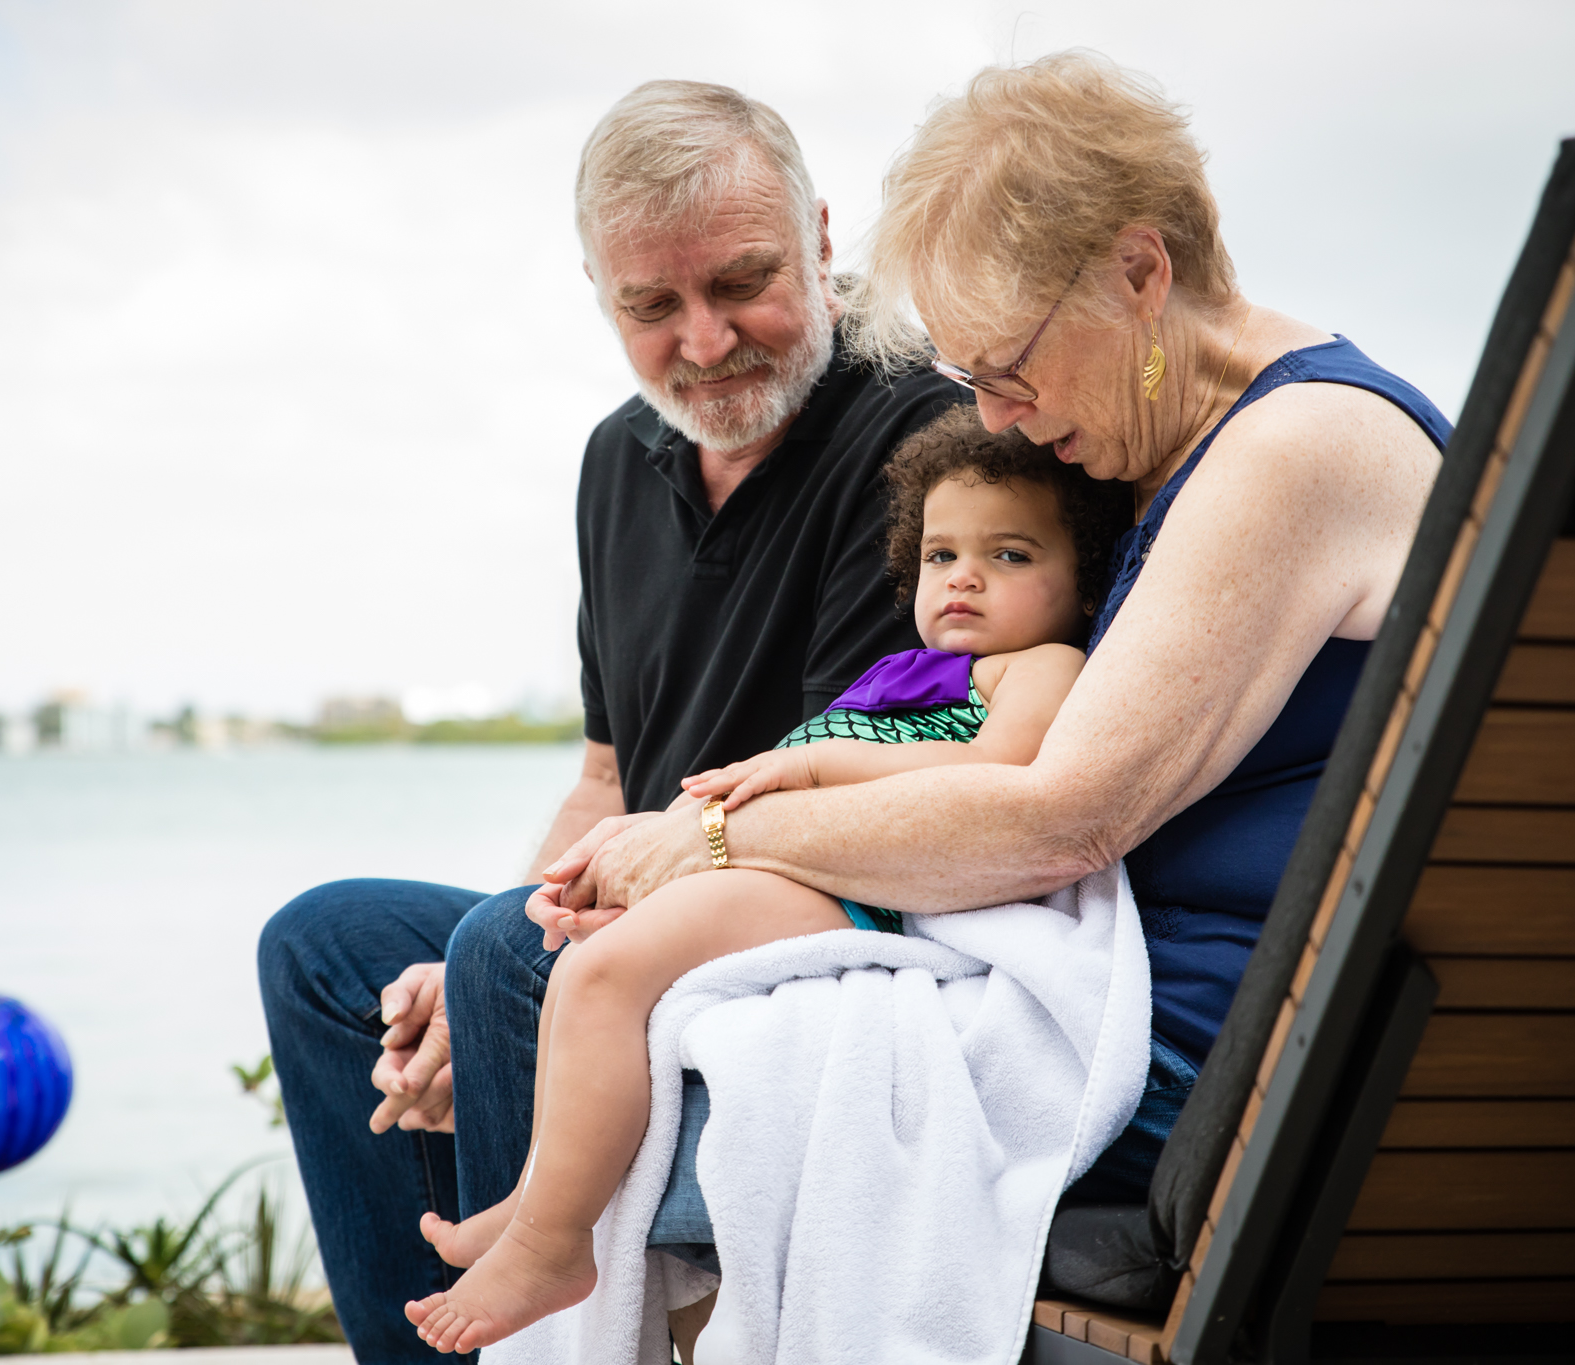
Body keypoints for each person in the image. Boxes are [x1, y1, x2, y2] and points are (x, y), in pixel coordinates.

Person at [534, 51, 1455, 1215]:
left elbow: (1060, 817)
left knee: (665, 1132)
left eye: (1008, 367)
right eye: (964, 375)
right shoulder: (1170, 446)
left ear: (1137, 271)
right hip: (1129, 1006)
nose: (989, 419)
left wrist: (715, 841)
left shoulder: (1294, 448)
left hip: (1225, 1057)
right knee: (639, 1060)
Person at [255, 80, 962, 1361]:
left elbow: (838, 795)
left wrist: (495, 957)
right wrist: (465, 969)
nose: (703, 342)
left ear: (816, 234)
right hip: (625, 909)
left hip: (799, 932)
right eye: (650, 305)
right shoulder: (614, 459)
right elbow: (604, 772)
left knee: (500, 957)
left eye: (742, 282)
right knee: (323, 948)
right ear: (596, 289)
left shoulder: (916, 432)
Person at [401, 409, 1123, 1353]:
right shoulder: (900, 673)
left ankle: (551, 1239)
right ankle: (544, 1202)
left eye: (1013, 554)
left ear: (1081, 585)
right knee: (578, 963)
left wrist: (810, 770)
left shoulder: (1038, 665)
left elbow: (1002, 767)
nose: (966, 577)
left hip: (873, 892)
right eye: (941, 554)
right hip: (809, 867)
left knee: (604, 976)